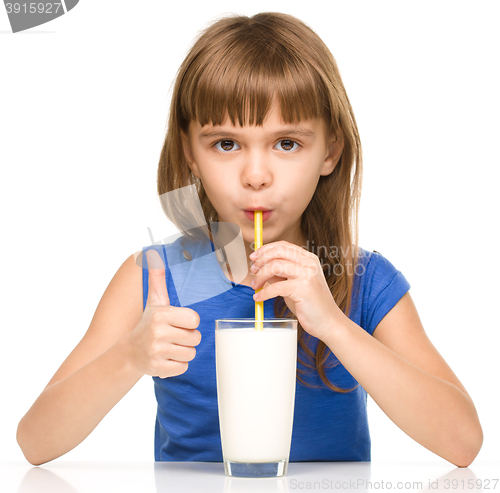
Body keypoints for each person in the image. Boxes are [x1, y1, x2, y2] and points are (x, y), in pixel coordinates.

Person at [17, 12, 482, 467]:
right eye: (225, 144)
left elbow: (462, 444)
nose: (256, 176)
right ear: (189, 154)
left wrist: (334, 325)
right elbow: (36, 443)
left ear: (331, 152)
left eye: (286, 144)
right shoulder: (159, 278)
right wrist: (129, 356)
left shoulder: (366, 282)